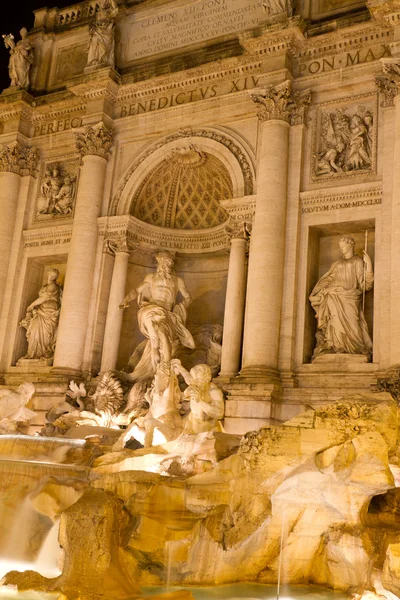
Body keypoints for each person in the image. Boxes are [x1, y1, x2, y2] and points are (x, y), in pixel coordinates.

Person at [120, 251, 195, 380]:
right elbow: (136, 291)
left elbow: (187, 296)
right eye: (163, 261)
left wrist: (183, 305)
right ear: (159, 262)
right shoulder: (151, 278)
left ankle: (165, 365)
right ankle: (157, 353)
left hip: (166, 313)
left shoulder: (178, 280)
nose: (166, 264)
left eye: (168, 262)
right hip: (151, 308)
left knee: (162, 332)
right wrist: (126, 300)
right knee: (152, 321)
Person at [309, 237, 373, 360]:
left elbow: (365, 284)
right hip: (333, 296)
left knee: (353, 323)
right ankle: (335, 346)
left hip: (350, 297)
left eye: (344, 246)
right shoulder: (336, 263)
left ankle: (355, 348)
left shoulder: (358, 261)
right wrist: (316, 292)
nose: (342, 248)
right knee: (334, 322)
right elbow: (327, 279)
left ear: (351, 245)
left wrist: (368, 264)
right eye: (340, 246)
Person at [19, 268, 63, 360]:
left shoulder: (53, 286)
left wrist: (31, 305)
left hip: (49, 312)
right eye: (51, 275)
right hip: (41, 311)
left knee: (45, 334)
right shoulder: (45, 286)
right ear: (48, 274)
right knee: (34, 330)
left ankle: (41, 353)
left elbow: (44, 298)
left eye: (54, 276)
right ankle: (32, 353)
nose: (52, 277)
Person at [172, 360, 224, 434]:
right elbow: (188, 377)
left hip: (206, 429)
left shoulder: (214, 392)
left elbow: (219, 413)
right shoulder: (196, 384)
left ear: (207, 378)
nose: (195, 383)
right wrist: (179, 367)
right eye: (194, 380)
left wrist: (200, 401)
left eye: (198, 380)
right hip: (190, 425)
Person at [87, 0, 118, 68]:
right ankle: (94, 60)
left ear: (107, 2)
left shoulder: (109, 11)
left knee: (103, 44)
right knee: (94, 39)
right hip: (98, 31)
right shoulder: (98, 13)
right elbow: (97, 22)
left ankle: (103, 60)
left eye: (103, 1)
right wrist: (93, 27)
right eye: (100, 2)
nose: (101, 3)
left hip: (106, 31)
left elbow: (115, 10)